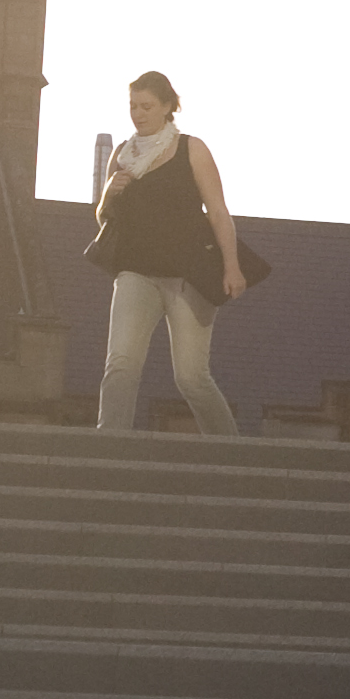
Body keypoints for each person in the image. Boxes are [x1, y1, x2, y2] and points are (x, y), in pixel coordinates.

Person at [90, 71, 245, 436]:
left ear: (166, 107)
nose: (138, 114)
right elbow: (103, 221)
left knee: (191, 377)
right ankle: (107, 448)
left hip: (187, 275)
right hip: (135, 273)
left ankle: (233, 453)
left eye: (146, 106)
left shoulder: (191, 148)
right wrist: (109, 192)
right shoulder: (122, 155)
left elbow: (219, 212)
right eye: (133, 106)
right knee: (121, 365)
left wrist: (232, 266)